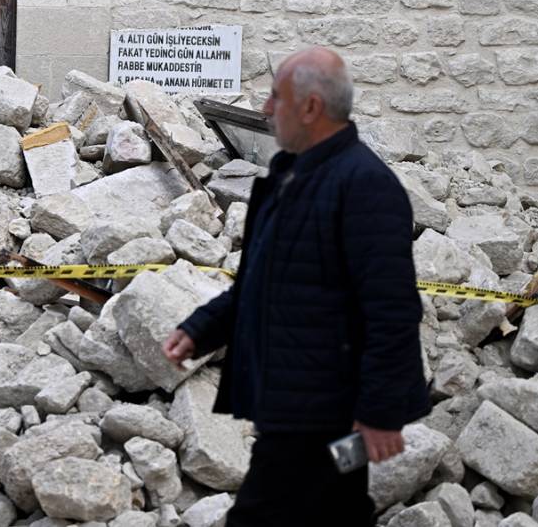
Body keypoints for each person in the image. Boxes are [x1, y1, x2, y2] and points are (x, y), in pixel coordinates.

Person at [162, 47, 430, 527]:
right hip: (292, 398)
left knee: (263, 515)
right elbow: (263, 283)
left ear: (310, 107)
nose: (265, 109)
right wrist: (203, 329)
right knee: (339, 509)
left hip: (322, 410)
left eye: (275, 97)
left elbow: (392, 308)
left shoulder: (366, 185)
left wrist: (380, 411)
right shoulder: (290, 177)